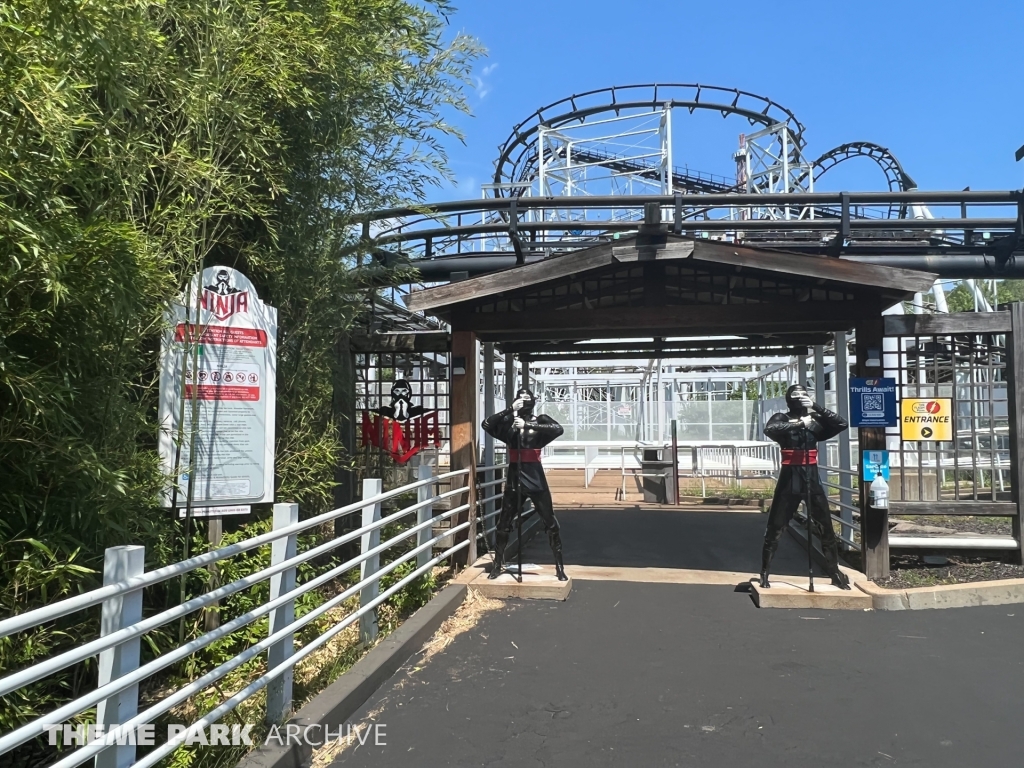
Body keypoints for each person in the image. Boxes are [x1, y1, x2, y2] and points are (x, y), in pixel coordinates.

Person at [760, 384, 851, 590]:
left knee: (825, 528)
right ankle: (765, 572)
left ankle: (834, 571)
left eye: (804, 394)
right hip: (788, 478)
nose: (800, 398)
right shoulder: (781, 419)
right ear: (788, 398)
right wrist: (800, 424)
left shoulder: (815, 422)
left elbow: (841, 424)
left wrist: (817, 407)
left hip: (811, 478)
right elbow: (770, 429)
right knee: (776, 527)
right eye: (796, 394)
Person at [481, 388, 567, 581]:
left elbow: (558, 429)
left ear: (533, 401)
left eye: (528, 397)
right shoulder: (509, 424)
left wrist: (528, 424)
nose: (524, 400)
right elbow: (486, 424)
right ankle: (497, 564)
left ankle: (559, 566)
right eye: (520, 397)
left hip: (535, 476)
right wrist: (509, 410)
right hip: (514, 476)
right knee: (503, 523)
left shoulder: (540, 420)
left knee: (550, 522)